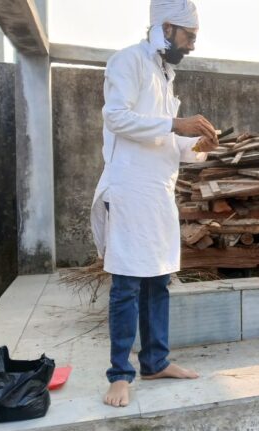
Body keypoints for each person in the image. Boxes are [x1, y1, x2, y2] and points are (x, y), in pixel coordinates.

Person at [89, 0, 219, 408]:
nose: (192, 45)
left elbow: (173, 145)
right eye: (189, 36)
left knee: (158, 280)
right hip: (129, 189)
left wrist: (199, 146)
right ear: (166, 27)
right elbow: (117, 117)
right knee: (127, 283)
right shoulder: (126, 61)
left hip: (159, 192)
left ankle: (156, 361)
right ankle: (120, 374)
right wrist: (175, 124)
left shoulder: (165, 76)